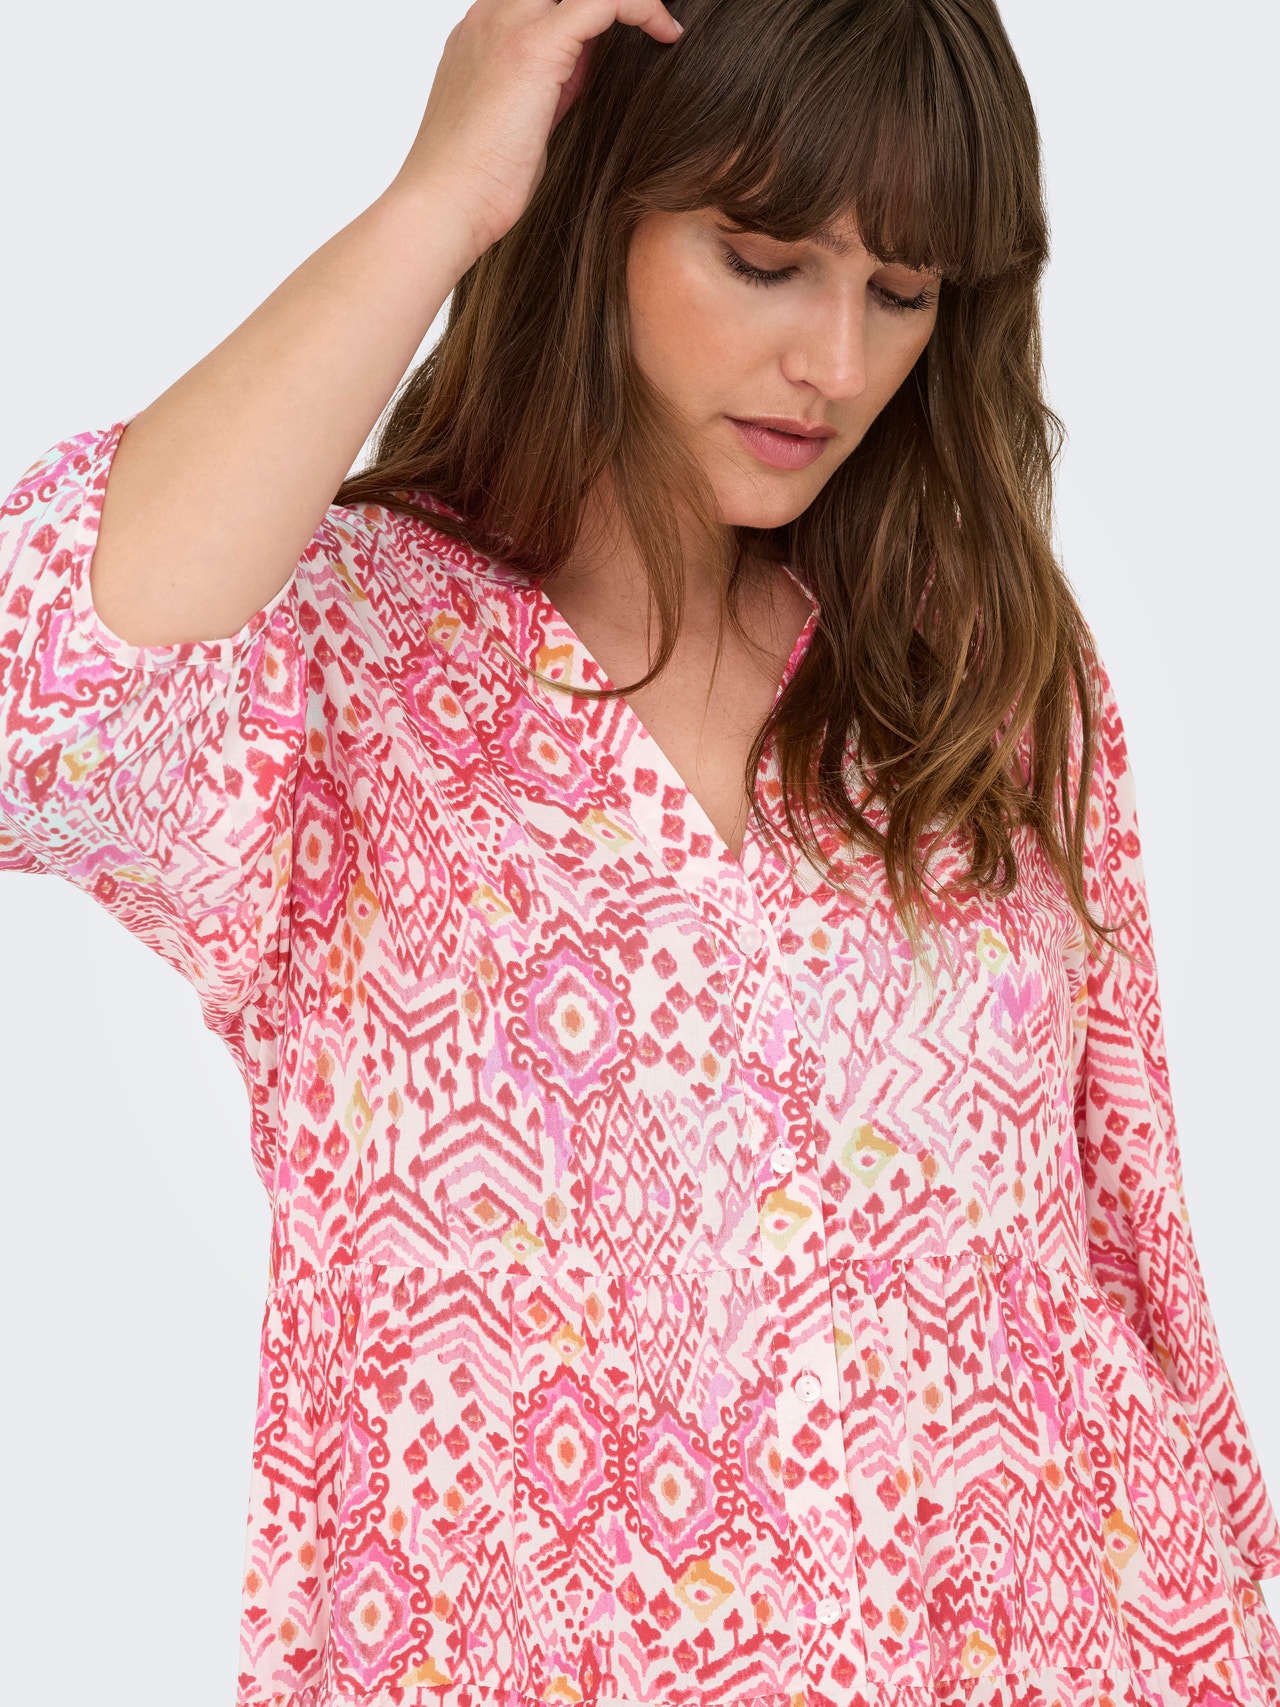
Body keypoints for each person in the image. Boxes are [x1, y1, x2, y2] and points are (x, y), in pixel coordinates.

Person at [1, 0, 1277, 1703]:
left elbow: (1130, 1256)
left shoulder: (977, 675)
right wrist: (441, 196)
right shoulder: (334, 662)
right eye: (762, 261)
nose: (838, 363)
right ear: (590, 205)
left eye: (905, 292)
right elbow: (38, 693)